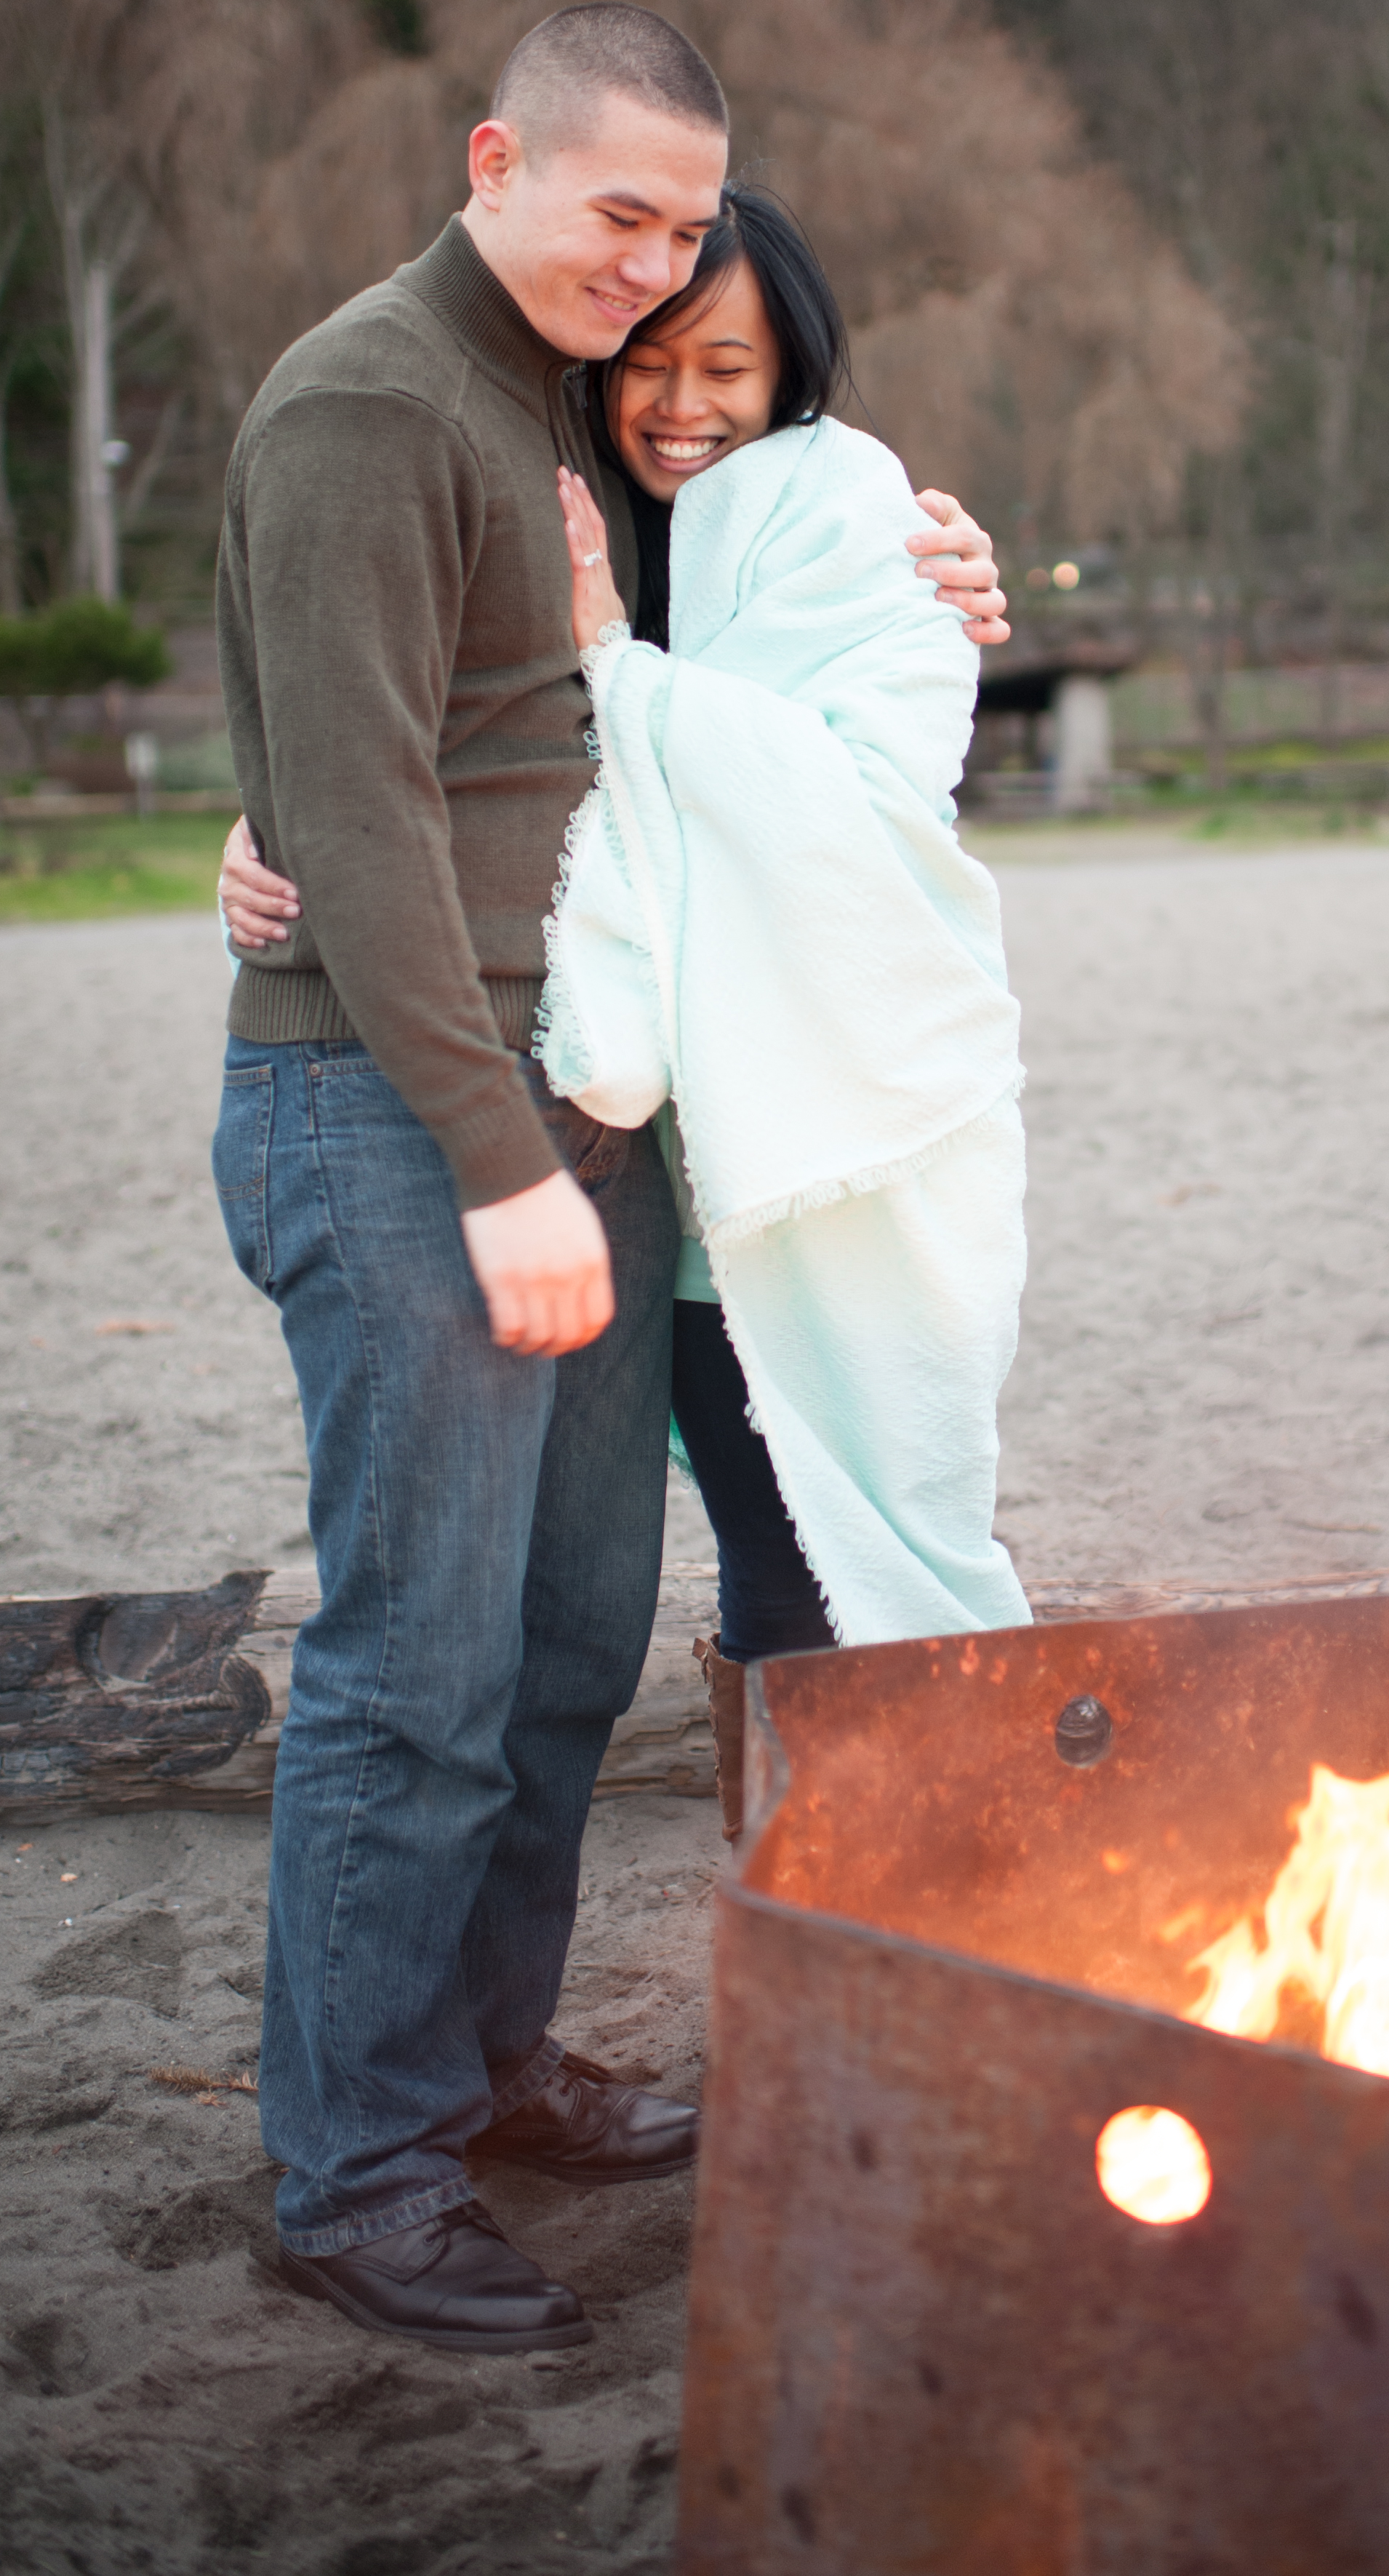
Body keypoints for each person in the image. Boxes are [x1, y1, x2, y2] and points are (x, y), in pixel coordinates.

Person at [211, 4, 1007, 2359]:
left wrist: (921, 537)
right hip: (406, 1112)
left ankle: (480, 2063)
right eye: (618, 215)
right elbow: (349, 812)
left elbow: (706, 598)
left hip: (581, 1110)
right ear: (495, 158)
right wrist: (498, 1161)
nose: (651, 271)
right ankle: (353, 2171)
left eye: (683, 231)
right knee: (415, 1665)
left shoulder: (562, 384)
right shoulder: (372, 397)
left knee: (561, 1650)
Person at [541, 185, 1032, 1833]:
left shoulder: (840, 530)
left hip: (811, 1132)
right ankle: (812, 1894)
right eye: (650, 364)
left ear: (792, 369)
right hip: (632, 1170)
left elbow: (852, 800)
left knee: (842, 1523)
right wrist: (268, 829)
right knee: (753, 1543)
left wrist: (617, 659)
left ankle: (891, 1897)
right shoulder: (551, 516)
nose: (684, 407)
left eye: (728, 368)